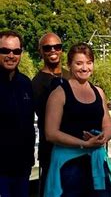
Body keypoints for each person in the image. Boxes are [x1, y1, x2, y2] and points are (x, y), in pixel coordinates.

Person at [44, 43, 111, 196]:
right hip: (68, 166)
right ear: (69, 65)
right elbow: (51, 133)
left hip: (96, 163)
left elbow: (107, 125)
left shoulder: (99, 92)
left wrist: (101, 138)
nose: (84, 68)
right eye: (79, 63)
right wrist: (83, 144)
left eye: (89, 63)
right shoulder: (59, 94)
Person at [32, 32, 70, 196]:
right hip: (50, 150)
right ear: (40, 51)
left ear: (62, 50)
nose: (53, 50)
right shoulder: (35, 83)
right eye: (48, 48)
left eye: (57, 46)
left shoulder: (72, 76)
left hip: (74, 148)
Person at [0, 30, 35, 197]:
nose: (11, 55)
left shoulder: (26, 83)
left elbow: (28, 125)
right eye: (5, 51)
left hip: (22, 168)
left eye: (16, 51)